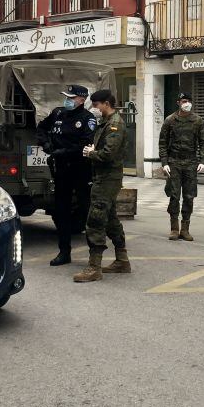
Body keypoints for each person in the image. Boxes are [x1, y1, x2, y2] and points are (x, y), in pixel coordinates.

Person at [35, 85, 96, 266]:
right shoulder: (58, 114)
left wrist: (65, 151)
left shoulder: (88, 119)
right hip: (60, 170)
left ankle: (94, 253)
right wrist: (46, 145)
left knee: (86, 210)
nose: (67, 100)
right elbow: (41, 128)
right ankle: (64, 251)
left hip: (80, 169)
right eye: (67, 96)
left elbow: (86, 144)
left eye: (71, 97)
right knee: (61, 210)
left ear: (81, 100)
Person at [74, 89, 130, 283]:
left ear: (106, 103)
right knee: (111, 219)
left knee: (96, 220)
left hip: (107, 179)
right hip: (103, 177)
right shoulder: (106, 122)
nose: (94, 108)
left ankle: (94, 267)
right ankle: (122, 260)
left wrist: (91, 153)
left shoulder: (115, 124)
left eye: (96, 104)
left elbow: (108, 154)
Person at [159, 92, 204, 241]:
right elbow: (162, 143)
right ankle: (174, 228)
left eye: (188, 101)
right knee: (174, 196)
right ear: (178, 103)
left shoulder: (197, 121)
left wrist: (203, 161)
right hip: (174, 162)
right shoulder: (170, 120)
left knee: (189, 196)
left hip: (191, 163)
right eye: (184, 101)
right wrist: (164, 163)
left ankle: (185, 228)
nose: (186, 104)